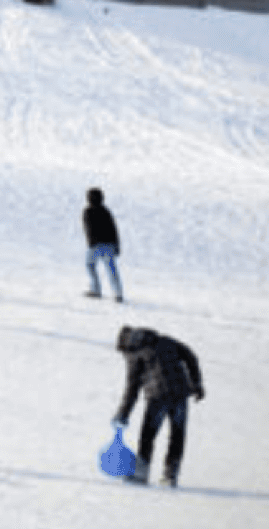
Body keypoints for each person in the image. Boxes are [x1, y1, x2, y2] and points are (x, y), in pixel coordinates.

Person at [111, 325, 204, 488]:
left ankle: (141, 474)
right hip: (181, 392)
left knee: (148, 436)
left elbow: (132, 388)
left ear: (124, 344)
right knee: (178, 434)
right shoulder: (165, 340)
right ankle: (171, 475)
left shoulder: (133, 353)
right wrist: (196, 382)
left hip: (158, 396)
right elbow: (191, 356)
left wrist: (123, 413)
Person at [84, 187, 125, 302]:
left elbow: (88, 229)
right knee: (111, 269)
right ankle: (118, 294)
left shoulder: (88, 211)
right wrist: (117, 245)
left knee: (90, 265)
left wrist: (91, 242)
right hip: (109, 245)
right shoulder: (106, 211)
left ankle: (96, 290)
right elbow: (114, 229)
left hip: (95, 245)